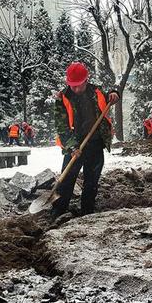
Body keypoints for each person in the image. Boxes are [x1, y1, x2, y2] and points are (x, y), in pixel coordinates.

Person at [53, 62, 119, 218]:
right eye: (72, 86)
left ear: (86, 80)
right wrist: (71, 147)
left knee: (91, 182)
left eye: (78, 85)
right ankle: (58, 211)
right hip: (74, 146)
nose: (75, 89)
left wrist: (115, 93)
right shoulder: (62, 98)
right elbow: (61, 127)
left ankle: (87, 213)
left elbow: (111, 94)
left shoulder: (96, 92)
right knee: (67, 179)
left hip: (95, 143)